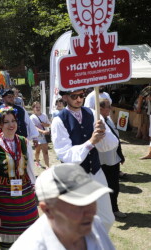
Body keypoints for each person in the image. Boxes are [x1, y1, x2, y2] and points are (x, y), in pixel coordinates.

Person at [51, 89, 118, 232]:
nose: (78, 99)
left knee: (107, 218)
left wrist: (103, 133)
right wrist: (90, 142)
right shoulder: (58, 120)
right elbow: (66, 155)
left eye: (81, 95)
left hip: (96, 172)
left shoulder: (92, 113)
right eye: (74, 96)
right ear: (65, 97)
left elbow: (111, 144)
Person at [11, 163, 115, 250]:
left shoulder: (95, 224)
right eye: (78, 205)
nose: (91, 212)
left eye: (92, 200)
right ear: (47, 210)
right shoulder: (30, 246)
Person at [0, 107, 38, 249]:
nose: (11, 125)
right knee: (7, 241)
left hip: (25, 194)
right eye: (6, 122)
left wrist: (34, 189)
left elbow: (31, 168)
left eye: (13, 121)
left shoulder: (24, 142)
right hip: (3, 197)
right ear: (0, 124)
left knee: (29, 238)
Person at [99, 99, 127, 218]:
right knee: (103, 187)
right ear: (100, 108)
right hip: (102, 160)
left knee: (114, 186)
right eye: (108, 107)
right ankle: (103, 211)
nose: (110, 109)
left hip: (113, 158)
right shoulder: (97, 121)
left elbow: (116, 137)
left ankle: (114, 209)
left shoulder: (108, 119)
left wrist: (120, 155)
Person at [30, 102, 50, 169]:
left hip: (44, 136)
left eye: (39, 107)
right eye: (36, 107)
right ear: (33, 108)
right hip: (36, 136)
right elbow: (34, 127)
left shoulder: (44, 115)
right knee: (37, 150)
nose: (38, 108)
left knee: (45, 151)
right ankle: (37, 161)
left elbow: (48, 124)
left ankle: (47, 166)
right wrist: (42, 131)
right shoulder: (32, 117)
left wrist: (45, 125)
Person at [136, 85, 151, 159]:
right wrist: (139, 107)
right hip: (146, 109)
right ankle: (150, 154)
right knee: (144, 122)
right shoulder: (149, 88)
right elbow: (141, 96)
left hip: (147, 110)